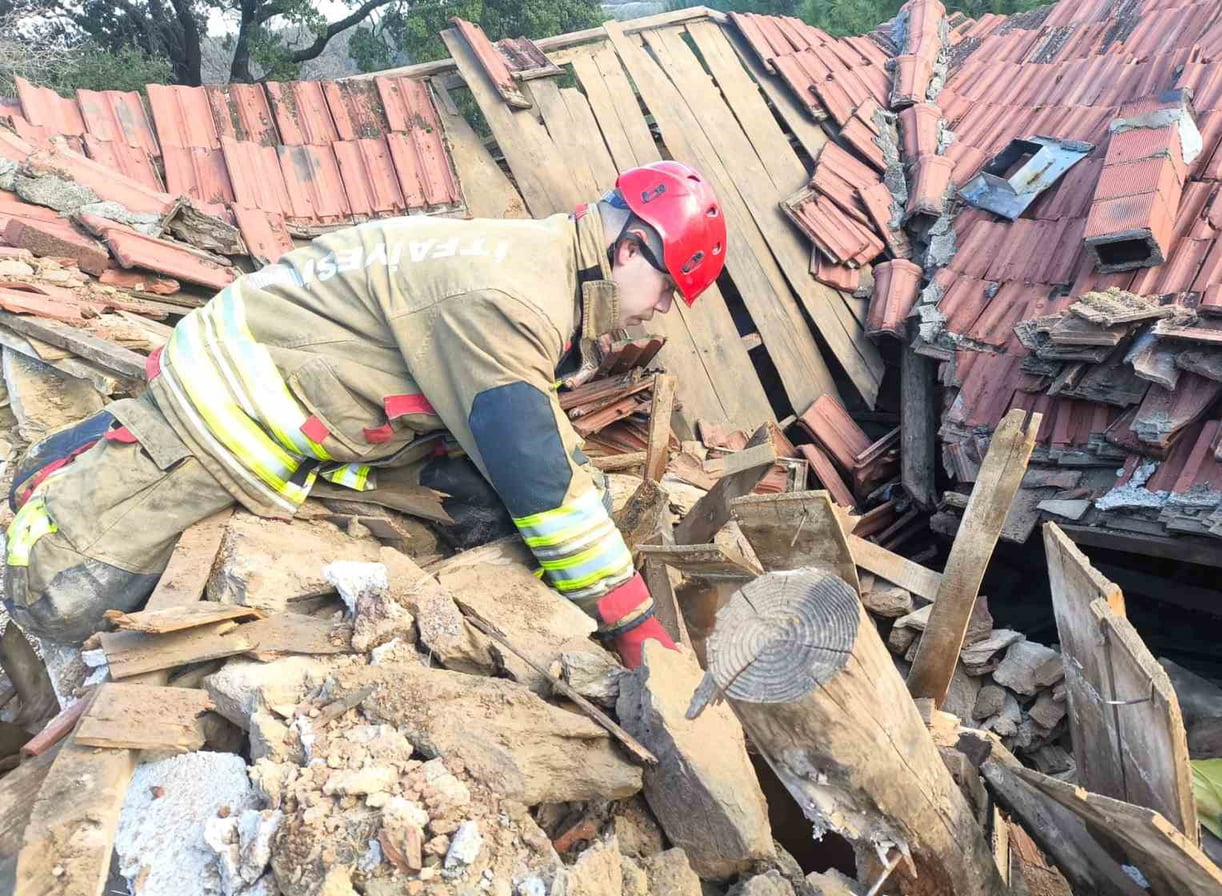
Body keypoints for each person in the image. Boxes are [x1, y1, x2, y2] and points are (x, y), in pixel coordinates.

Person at [2, 161, 726, 668]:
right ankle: (117, 448)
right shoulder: (510, 298)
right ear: (630, 247)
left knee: (490, 498)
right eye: (667, 289)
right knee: (52, 598)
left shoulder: (536, 260)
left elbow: (530, 426)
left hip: (300, 366)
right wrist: (630, 616)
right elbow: (537, 474)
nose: (660, 310)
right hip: (229, 405)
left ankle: (128, 442)